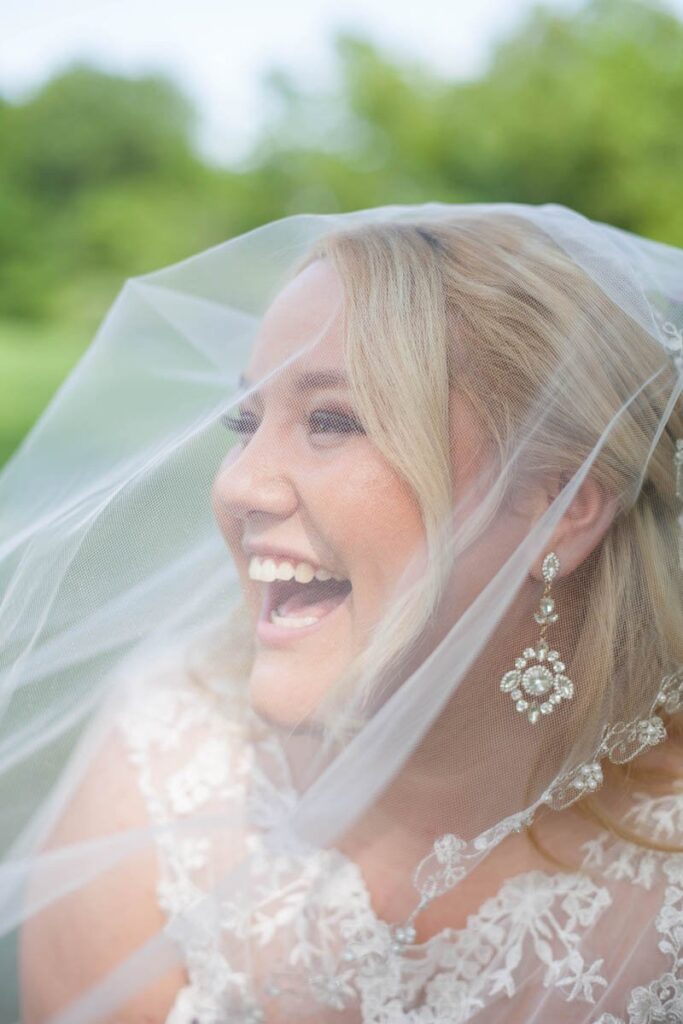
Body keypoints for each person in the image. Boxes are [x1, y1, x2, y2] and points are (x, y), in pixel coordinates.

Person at [4, 203, 683, 1023]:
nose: (238, 484)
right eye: (243, 423)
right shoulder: (170, 758)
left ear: (560, 502)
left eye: (332, 420)